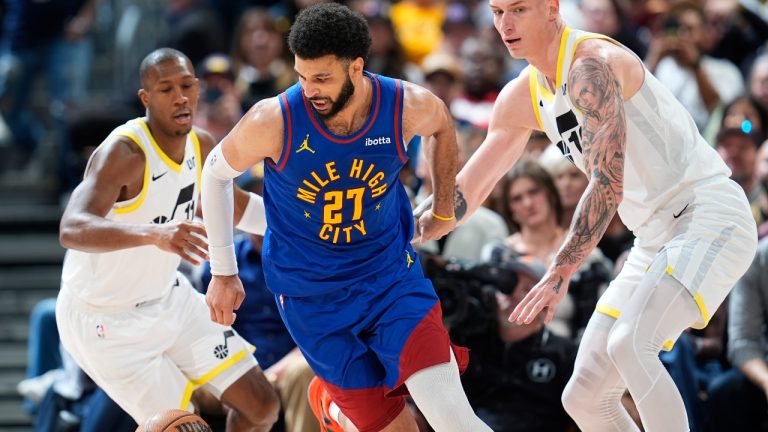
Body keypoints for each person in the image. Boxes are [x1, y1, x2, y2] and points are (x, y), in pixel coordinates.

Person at [442, 0, 758, 430]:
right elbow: (465, 192)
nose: (505, 24)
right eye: (497, 11)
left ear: (552, 8)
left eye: (518, 9)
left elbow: (608, 184)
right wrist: (404, 229)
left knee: (631, 345)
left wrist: (560, 270)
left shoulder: (592, 64)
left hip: (706, 213)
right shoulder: (522, 95)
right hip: (652, 238)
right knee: (585, 396)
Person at [201, 4, 492, 432]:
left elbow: (442, 125)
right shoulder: (274, 118)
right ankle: (336, 410)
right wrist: (223, 272)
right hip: (312, 299)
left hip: (390, 278)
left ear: (356, 67)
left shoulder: (403, 104)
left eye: (322, 78)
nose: (309, 89)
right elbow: (214, 173)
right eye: (302, 76)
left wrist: (444, 206)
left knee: (452, 416)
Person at [55, 47, 279, 431]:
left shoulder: (203, 145)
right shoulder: (124, 151)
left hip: (170, 301)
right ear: (146, 98)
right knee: (181, 426)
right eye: (166, 89)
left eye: (187, 85)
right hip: (106, 322)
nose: (180, 97)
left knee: (262, 406)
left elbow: (238, 208)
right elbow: (71, 228)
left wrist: (310, 226)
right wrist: (153, 234)